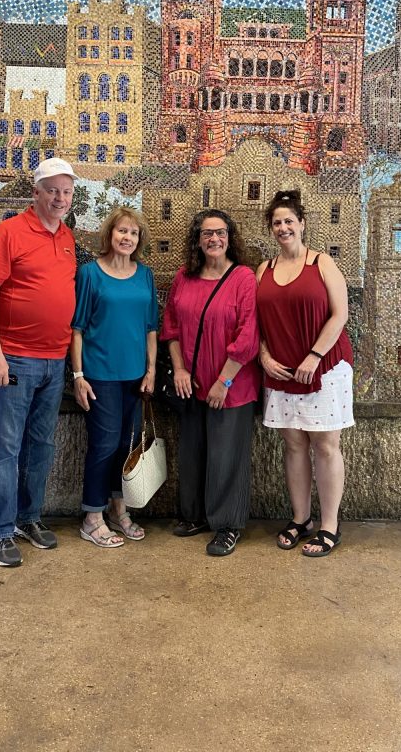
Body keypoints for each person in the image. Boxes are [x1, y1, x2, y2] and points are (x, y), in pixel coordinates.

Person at [0, 157, 78, 567]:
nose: (59, 198)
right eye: (52, 190)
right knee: (5, 449)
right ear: (35, 192)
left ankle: (28, 518)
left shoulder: (68, 237)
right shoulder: (9, 232)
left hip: (55, 361)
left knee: (41, 447)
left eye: (66, 191)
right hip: (15, 359)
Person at [256, 189, 354, 557]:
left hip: (324, 369)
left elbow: (339, 314)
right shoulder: (263, 270)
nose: (283, 227)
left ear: (302, 224)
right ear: (272, 229)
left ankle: (330, 525)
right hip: (281, 371)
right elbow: (257, 322)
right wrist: (264, 355)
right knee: (294, 445)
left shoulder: (322, 264)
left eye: (289, 221)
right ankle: (301, 518)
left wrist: (314, 355)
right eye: (277, 222)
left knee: (326, 446)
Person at [161, 210, 260, 557]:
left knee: (226, 455)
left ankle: (227, 525)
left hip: (230, 386)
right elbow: (170, 328)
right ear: (197, 240)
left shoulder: (244, 277)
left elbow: (248, 335)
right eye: (206, 234)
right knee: (193, 453)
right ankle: (195, 516)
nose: (213, 239)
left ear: (230, 237)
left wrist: (224, 381)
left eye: (220, 233)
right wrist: (180, 370)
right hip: (192, 384)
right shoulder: (183, 278)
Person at [70, 207, 158, 548]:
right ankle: (92, 517)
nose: (127, 238)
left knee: (126, 447)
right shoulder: (90, 274)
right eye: (122, 231)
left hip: (135, 377)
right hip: (100, 375)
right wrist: (78, 375)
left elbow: (151, 328)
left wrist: (150, 371)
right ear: (110, 234)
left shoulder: (145, 275)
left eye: (133, 233)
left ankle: (120, 511)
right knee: (104, 445)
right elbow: (76, 329)